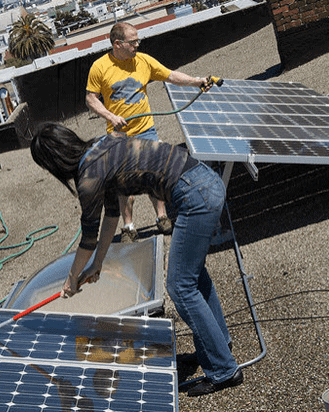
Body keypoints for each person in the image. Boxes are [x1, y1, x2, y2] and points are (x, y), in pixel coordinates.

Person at [30, 123, 243, 396]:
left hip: (195, 196)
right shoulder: (100, 146)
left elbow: (88, 239)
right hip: (203, 182)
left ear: (53, 163)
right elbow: (111, 216)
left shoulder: (88, 176)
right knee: (194, 276)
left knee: (180, 287)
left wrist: (71, 280)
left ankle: (224, 369)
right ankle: (217, 346)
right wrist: (97, 264)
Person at [86, 22, 211, 242]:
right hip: (119, 138)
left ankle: (162, 218)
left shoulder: (143, 61)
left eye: (137, 40)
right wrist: (111, 117)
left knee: (155, 178)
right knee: (124, 186)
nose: (137, 44)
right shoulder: (99, 67)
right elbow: (91, 99)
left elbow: (171, 76)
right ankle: (128, 227)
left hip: (147, 131)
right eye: (132, 41)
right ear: (117, 44)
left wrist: (197, 82)